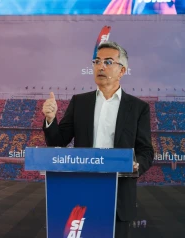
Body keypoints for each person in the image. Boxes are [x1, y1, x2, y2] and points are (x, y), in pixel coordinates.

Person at [42, 41, 154, 238]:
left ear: (122, 71)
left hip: (118, 197)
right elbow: (58, 142)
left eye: (108, 62)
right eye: (97, 61)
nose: (101, 66)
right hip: (81, 194)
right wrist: (51, 120)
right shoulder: (79, 102)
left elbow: (146, 151)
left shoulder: (138, 108)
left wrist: (137, 165)